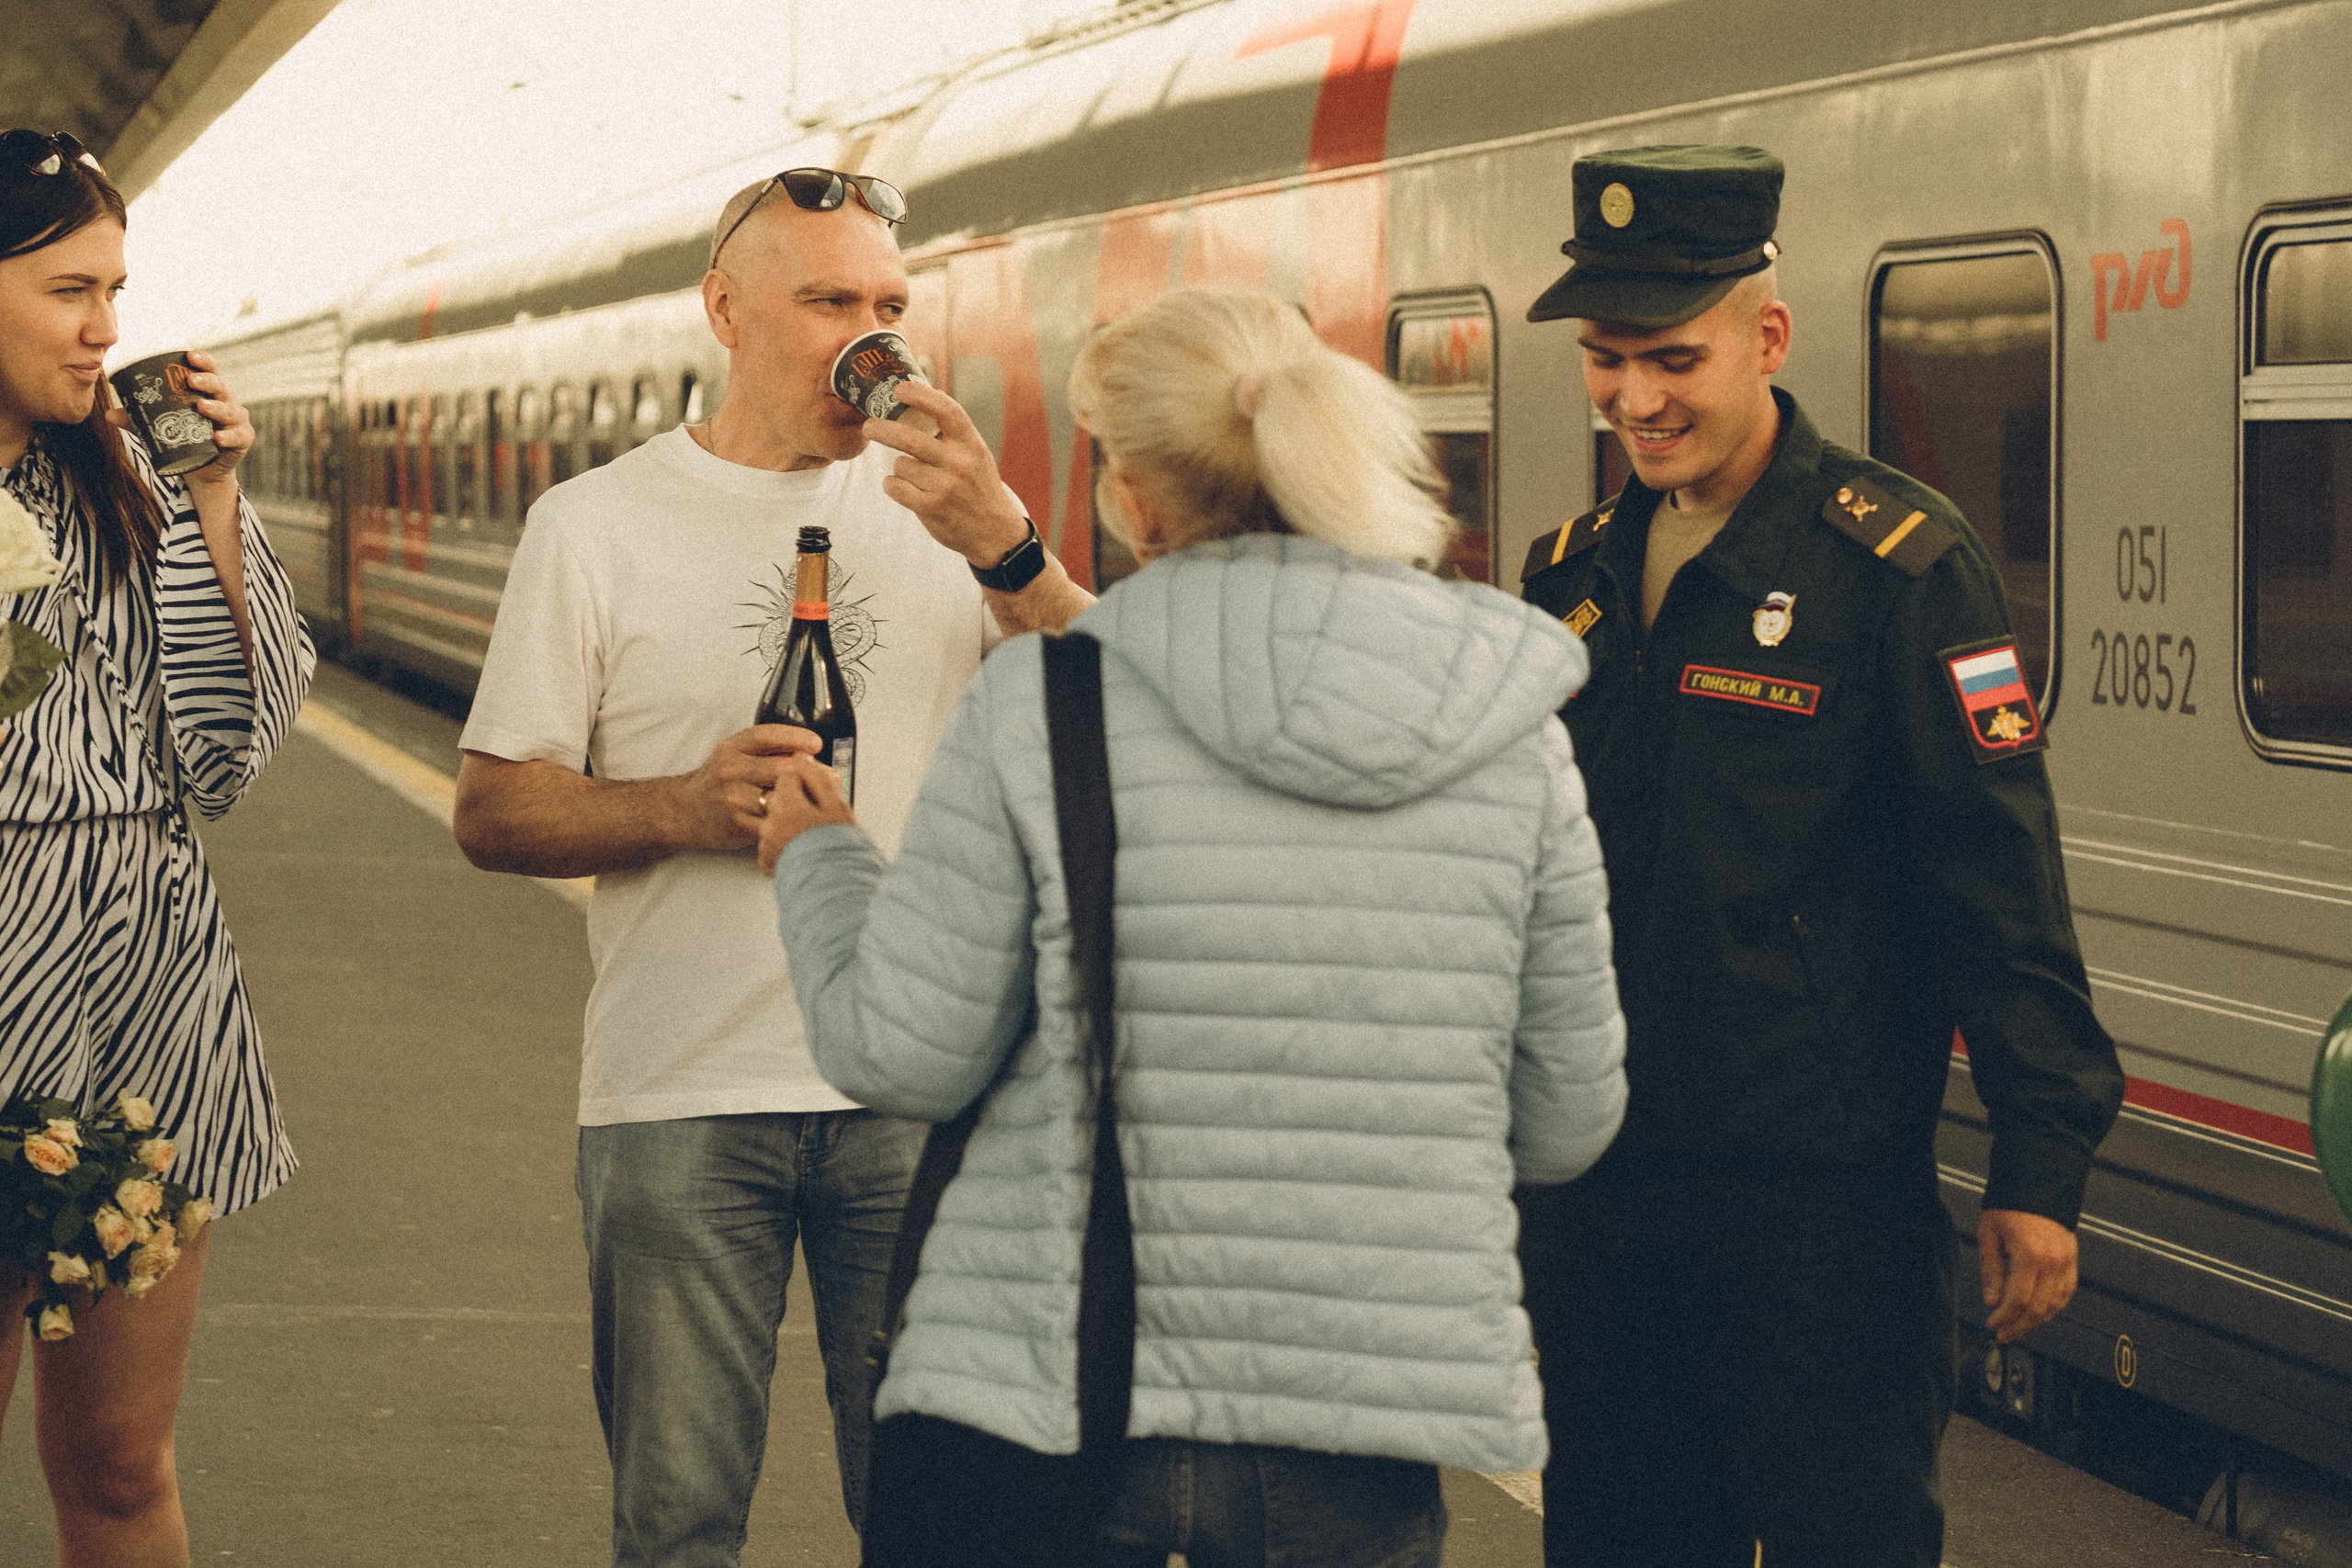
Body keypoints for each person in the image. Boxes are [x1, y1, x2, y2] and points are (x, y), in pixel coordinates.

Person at [751, 283, 1630, 1566]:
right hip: (1360, 1420)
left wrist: (821, 862)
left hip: (1060, 1391)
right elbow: (1565, 1121)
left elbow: (904, 1052)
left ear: (1138, 500)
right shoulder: (1513, 734)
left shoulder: (1048, 705)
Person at [449, 168, 1088, 1564]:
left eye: (890, 303)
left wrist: (1008, 544)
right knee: (679, 1524)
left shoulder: (950, 516)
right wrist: (680, 806)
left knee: (941, 1526)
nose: (872, 337)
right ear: (726, 312)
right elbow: (493, 812)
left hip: (917, 1085)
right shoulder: (593, 523)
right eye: (828, 303)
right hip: (679, 1092)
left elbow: (1119, 706)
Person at [1512, 144, 2125, 1568]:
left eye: (1673, 358)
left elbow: (1999, 880)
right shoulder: (1572, 574)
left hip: (1819, 1227)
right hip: (1604, 1222)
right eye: (1606, 360)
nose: (1635, 399)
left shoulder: (1898, 569)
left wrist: (2040, 1163)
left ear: (1768, 338)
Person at [0, 129, 314, 1562]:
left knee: (122, 1460)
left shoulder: (130, 474)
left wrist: (215, 503)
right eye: (70, 291)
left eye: (116, 290)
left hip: (150, 1003)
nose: (106, 329)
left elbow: (221, 753)